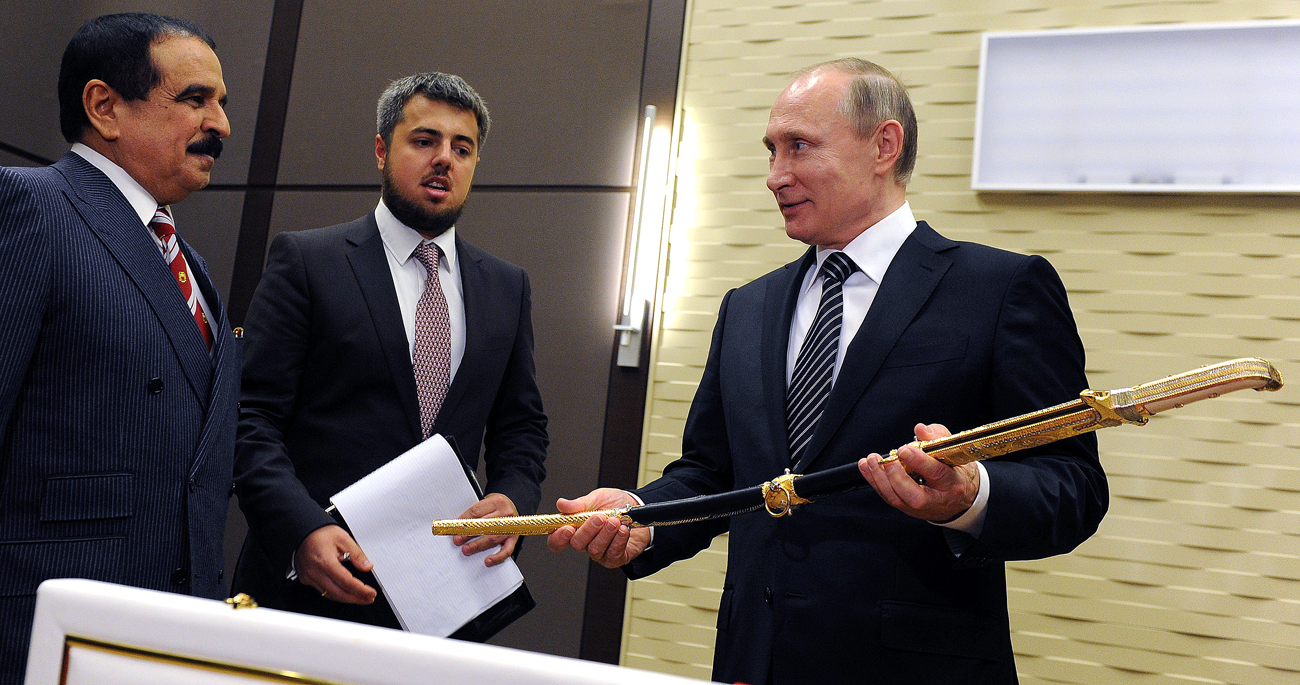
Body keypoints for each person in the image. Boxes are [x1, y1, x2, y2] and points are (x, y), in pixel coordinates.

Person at [549, 58, 1109, 684]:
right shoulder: (748, 306)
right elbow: (711, 471)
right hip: (753, 659)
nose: (774, 176)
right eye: (770, 152)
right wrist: (640, 517)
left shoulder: (1000, 288)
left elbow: (1072, 487)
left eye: (799, 147)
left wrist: (970, 496)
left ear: (883, 146)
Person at [232, 71, 548, 630]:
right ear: (382, 150)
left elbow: (520, 427)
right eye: (424, 141)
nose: (444, 159)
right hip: (307, 591)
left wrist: (512, 500)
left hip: (444, 598)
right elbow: (250, 419)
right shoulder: (308, 262)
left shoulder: (506, 286)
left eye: (462, 147)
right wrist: (299, 530)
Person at [0, 13, 239, 682]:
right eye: (195, 100)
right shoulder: (27, 208)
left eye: (222, 103)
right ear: (104, 107)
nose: (221, 125)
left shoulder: (189, 264)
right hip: (44, 633)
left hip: (164, 636)